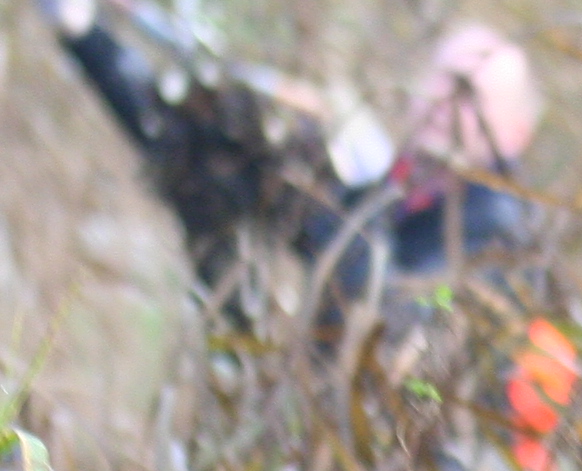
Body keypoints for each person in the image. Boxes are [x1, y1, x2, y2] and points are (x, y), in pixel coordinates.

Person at [37, 4, 545, 311]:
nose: (443, 104)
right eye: (440, 80)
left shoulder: (498, 226)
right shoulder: (393, 190)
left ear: (516, 132)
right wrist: (89, 38)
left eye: (468, 94)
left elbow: (389, 309)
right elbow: (200, 160)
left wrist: (311, 183)